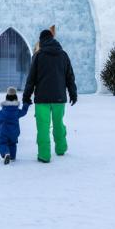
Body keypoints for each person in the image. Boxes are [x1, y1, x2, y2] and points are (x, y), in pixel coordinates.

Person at [22, 29, 77, 163]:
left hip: (42, 99)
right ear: (53, 39)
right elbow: (70, 77)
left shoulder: (38, 56)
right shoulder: (63, 55)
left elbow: (31, 79)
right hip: (59, 97)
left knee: (43, 127)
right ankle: (61, 148)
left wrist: (26, 96)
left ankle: (44, 155)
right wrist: (73, 93)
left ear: (41, 41)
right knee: (58, 123)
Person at [0, 86, 32, 164]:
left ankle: (6, 153)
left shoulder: (2, 112)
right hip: (14, 132)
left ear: (6, 99)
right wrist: (26, 104)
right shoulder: (17, 111)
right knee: (12, 144)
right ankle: (12, 156)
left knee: (2, 143)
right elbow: (24, 112)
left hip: (4, 132)